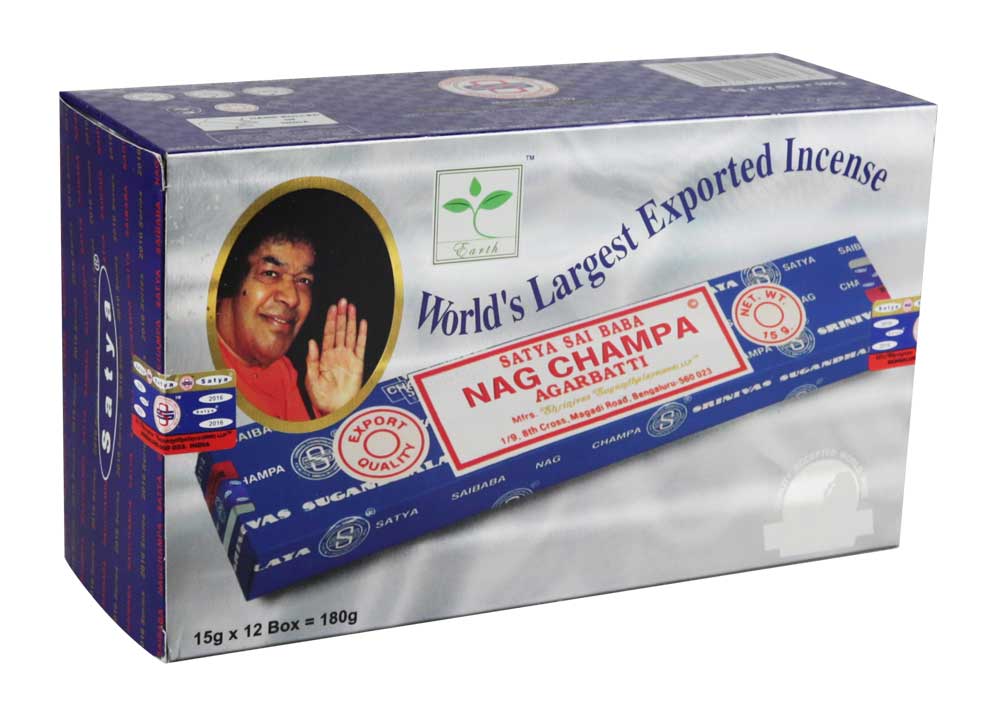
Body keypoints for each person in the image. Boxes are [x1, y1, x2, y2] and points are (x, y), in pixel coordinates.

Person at [216, 228, 367, 422]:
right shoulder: (195, 370)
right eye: (270, 273)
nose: (292, 297)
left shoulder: (282, 371)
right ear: (232, 280)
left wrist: (335, 412)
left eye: (303, 280)